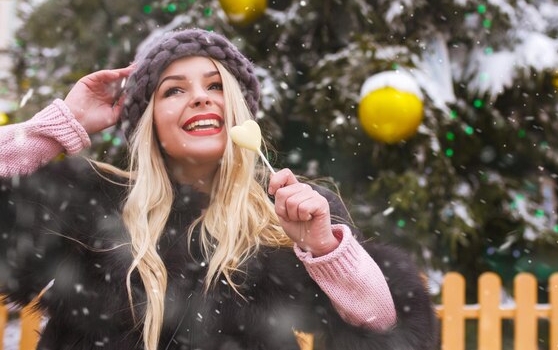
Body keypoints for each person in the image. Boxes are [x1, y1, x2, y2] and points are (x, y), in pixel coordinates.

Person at [0, 29, 438, 350]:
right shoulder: (91, 204)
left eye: (215, 86)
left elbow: (390, 331)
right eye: (174, 90)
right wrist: (58, 125)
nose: (200, 98)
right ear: (149, 121)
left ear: (237, 112)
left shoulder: (283, 220)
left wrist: (325, 249)